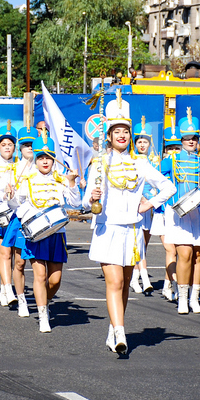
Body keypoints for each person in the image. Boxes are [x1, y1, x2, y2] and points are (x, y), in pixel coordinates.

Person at [83, 93, 176, 354]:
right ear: (109, 135)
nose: (122, 135)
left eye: (125, 131)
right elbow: (84, 202)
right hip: (108, 228)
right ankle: (121, 333)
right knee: (113, 282)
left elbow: (168, 187)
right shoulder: (99, 162)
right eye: (117, 131)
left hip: (132, 230)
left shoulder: (140, 162)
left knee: (124, 282)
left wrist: (149, 203)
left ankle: (114, 329)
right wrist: (92, 197)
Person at [9, 130, 80, 332]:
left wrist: (73, 182)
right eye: (40, 157)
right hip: (37, 235)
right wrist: (10, 196)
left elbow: (76, 203)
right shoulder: (27, 180)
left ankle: (44, 301)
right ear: (36, 160)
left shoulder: (62, 179)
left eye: (48, 158)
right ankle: (42, 314)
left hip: (56, 234)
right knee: (39, 275)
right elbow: (17, 206)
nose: (45, 161)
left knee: (55, 279)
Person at [161, 108, 200, 314]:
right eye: (187, 138)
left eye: (194, 138)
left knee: (198, 256)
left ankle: (194, 298)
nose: (191, 141)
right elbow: (158, 182)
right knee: (184, 253)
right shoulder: (171, 161)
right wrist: (163, 201)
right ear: (181, 140)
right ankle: (182, 298)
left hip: (199, 211)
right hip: (179, 212)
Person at [2, 123, 37, 317]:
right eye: (25, 145)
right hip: (22, 219)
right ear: (20, 148)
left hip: (41, 220)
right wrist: (9, 196)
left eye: (32, 144)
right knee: (20, 263)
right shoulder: (13, 170)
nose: (29, 148)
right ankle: (21, 299)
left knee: (39, 263)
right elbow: (12, 204)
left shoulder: (45, 166)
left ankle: (42, 301)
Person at [0, 122, 18, 306]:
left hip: (15, 215)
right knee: (5, 254)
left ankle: (2, 288)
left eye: (10, 145)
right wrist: (3, 194)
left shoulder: (19, 166)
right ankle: (8, 289)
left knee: (14, 257)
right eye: (4, 145)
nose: (7, 148)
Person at [132, 116, 161, 294]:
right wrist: (142, 197)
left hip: (151, 206)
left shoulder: (155, 160)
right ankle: (140, 278)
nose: (142, 145)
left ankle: (136, 278)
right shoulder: (132, 159)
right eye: (139, 141)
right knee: (137, 243)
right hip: (138, 204)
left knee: (144, 244)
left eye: (145, 141)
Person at [159, 120, 182, 300]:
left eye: (177, 147)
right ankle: (170, 285)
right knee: (170, 250)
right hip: (163, 212)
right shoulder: (163, 164)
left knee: (181, 252)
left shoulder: (189, 163)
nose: (174, 151)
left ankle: (173, 283)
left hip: (182, 212)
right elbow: (149, 185)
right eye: (170, 148)